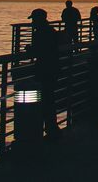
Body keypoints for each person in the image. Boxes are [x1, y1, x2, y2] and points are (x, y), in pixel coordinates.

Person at [26, 9, 60, 140]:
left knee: (45, 100)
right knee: (50, 100)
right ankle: (52, 130)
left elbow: (39, 50)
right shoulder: (51, 31)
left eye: (34, 20)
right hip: (53, 68)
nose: (33, 23)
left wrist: (30, 49)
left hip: (44, 69)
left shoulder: (40, 33)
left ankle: (47, 131)